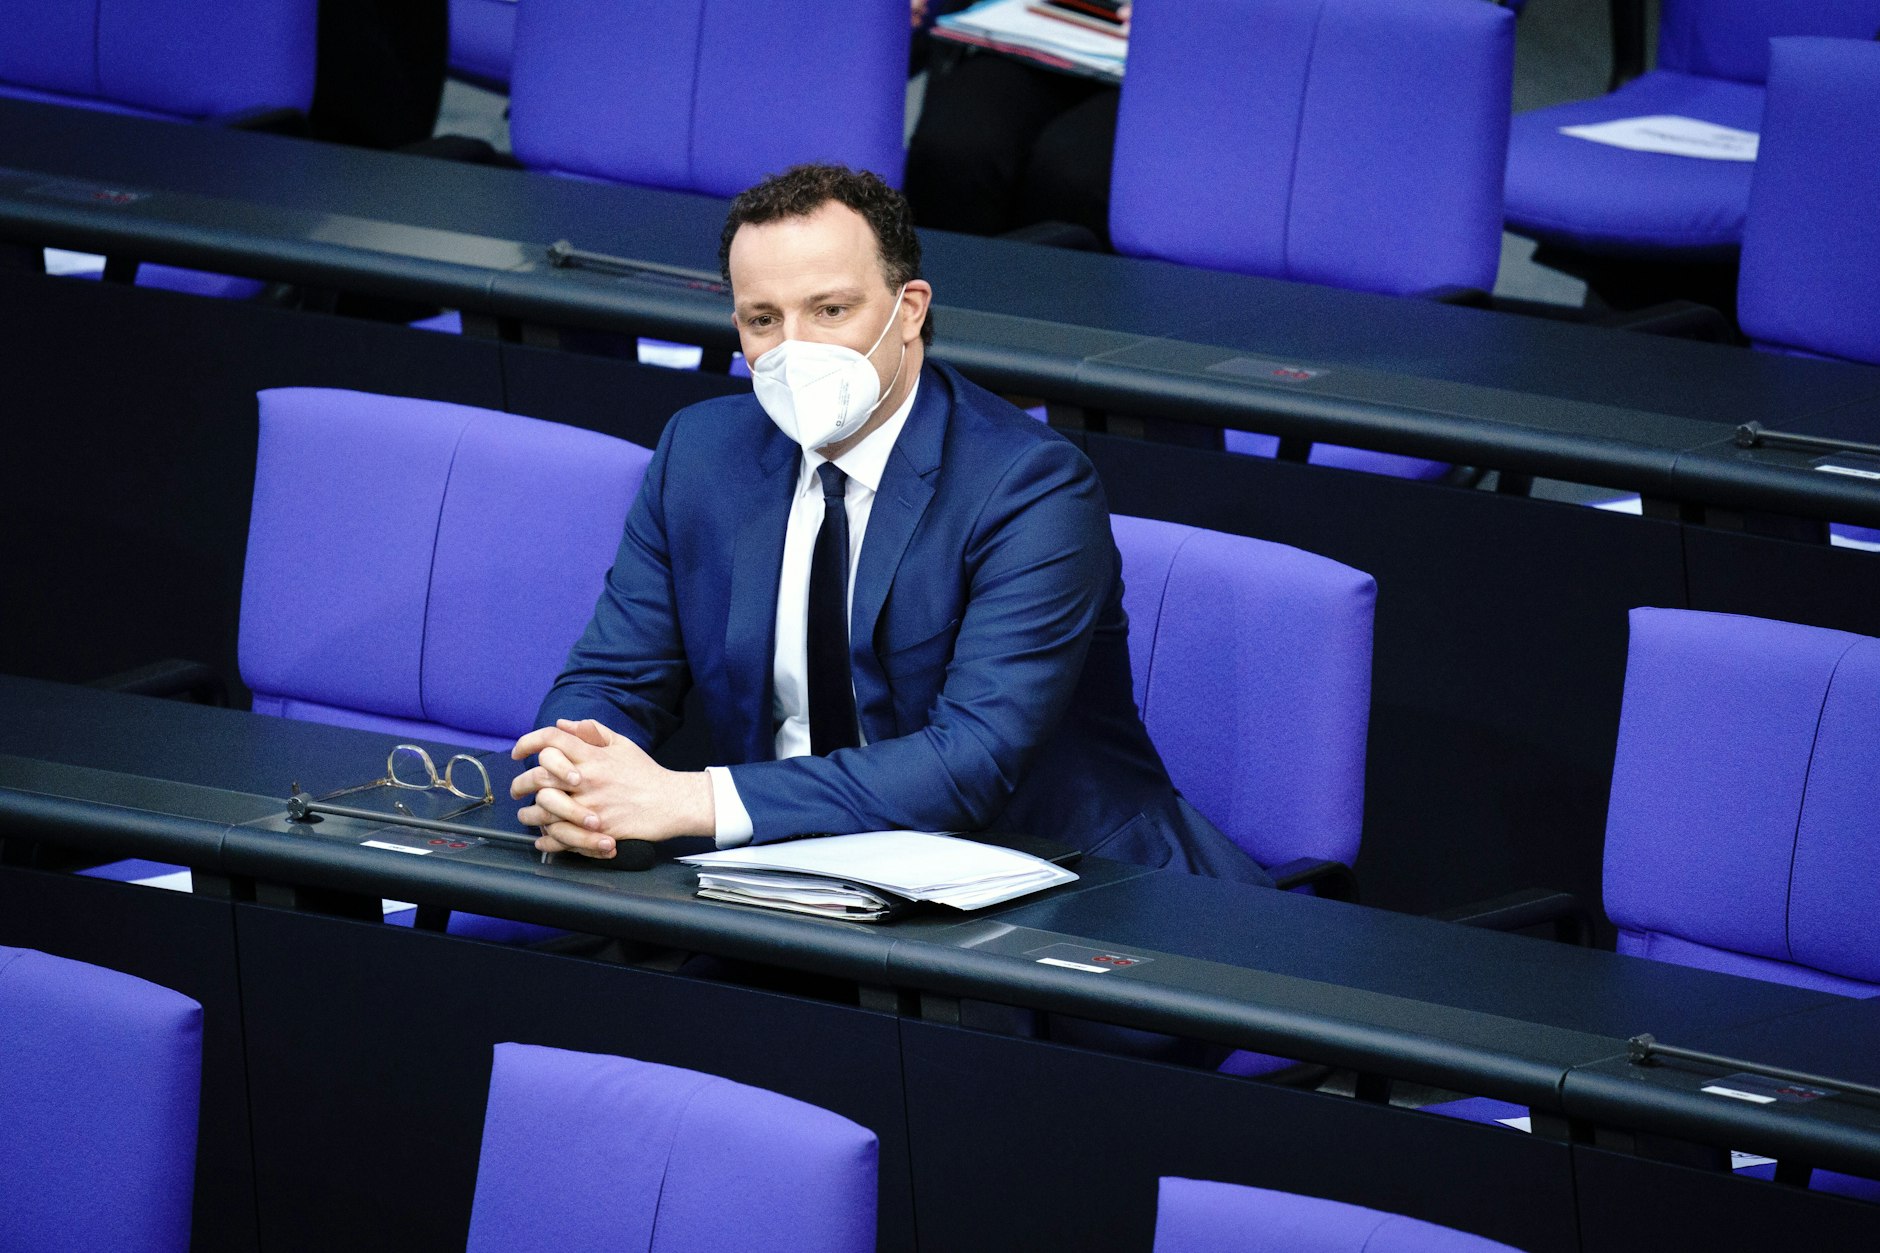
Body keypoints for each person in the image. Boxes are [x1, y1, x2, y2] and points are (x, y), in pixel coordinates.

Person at [508, 163, 1268, 888]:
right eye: (762, 319)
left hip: (1050, 885)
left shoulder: (1031, 485)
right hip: (789, 879)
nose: (794, 348)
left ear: (909, 310)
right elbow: (612, 676)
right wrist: (577, 777)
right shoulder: (699, 454)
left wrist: (696, 801)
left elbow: (970, 760)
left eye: (830, 310)